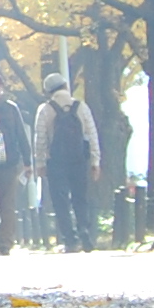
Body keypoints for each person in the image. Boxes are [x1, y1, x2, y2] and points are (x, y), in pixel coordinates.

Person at [34, 74, 101, 253]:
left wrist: (40, 163)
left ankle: (70, 239)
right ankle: (84, 229)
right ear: (65, 85)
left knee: (60, 200)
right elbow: (92, 135)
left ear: (48, 91)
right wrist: (95, 161)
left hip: (55, 162)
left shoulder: (45, 109)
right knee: (80, 197)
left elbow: (40, 139)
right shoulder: (81, 107)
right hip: (79, 159)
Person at [0, 72, 31, 256]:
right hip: (10, 162)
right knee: (8, 204)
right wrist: (27, 162)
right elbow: (21, 135)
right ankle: (6, 243)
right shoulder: (11, 108)